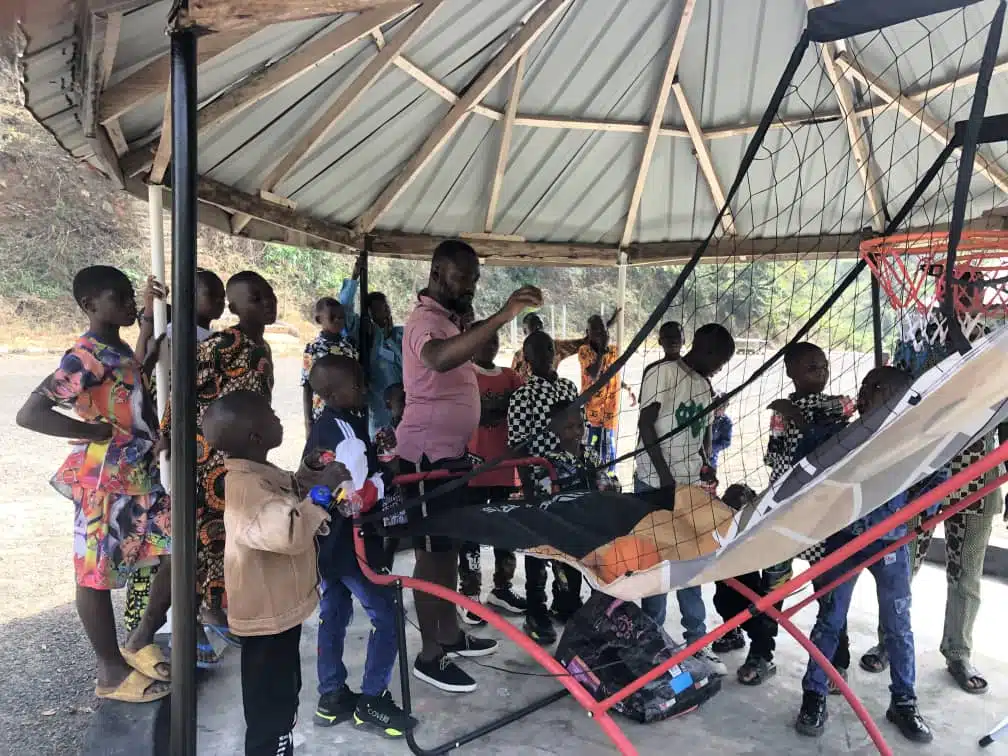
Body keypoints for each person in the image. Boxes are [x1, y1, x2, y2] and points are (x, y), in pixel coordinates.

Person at [17, 266, 172, 703]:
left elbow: (128, 387)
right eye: (118, 297)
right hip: (104, 480)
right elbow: (30, 414)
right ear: (90, 305)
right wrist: (96, 433)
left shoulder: (115, 346)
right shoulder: (84, 355)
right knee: (95, 575)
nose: (126, 303)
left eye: (128, 296)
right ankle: (110, 672)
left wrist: (145, 316)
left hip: (138, 475)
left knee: (180, 551)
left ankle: (140, 639)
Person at [397, 238, 540, 693]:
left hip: (450, 458)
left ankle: (450, 634)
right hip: (423, 460)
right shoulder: (425, 321)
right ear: (438, 272)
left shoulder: (449, 319)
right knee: (429, 557)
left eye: (476, 279)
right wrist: (501, 316)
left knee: (446, 552)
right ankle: (430, 655)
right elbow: (438, 359)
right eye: (464, 277)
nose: (471, 287)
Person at [795, 367, 936, 743]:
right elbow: (805, 463)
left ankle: (904, 701)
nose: (869, 394)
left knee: (898, 624)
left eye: (881, 390)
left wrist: (916, 513)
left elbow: (936, 478)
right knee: (830, 618)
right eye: (867, 387)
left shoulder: (912, 441)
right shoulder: (839, 437)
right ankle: (815, 693)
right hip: (844, 541)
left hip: (890, 542)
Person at [202, 390, 345, 756]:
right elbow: (289, 530)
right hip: (267, 620)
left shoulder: (258, 475)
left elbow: (286, 501)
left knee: (284, 694)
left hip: (279, 614)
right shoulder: (246, 488)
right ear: (255, 438)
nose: (278, 417)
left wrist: (308, 476)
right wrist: (325, 490)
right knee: (272, 710)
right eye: (270, 415)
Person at [161, 270, 277, 663]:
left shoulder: (263, 348)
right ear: (234, 307)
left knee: (228, 540)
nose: (267, 303)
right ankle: (193, 626)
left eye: (269, 296)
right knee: (202, 540)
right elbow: (182, 382)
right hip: (206, 458)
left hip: (242, 459)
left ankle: (216, 612)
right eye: (256, 298)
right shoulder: (225, 343)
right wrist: (167, 433)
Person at [727, 341, 854, 687]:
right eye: (812, 367)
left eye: (824, 365)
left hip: (821, 514)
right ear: (791, 373)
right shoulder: (781, 413)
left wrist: (797, 415)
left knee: (827, 588)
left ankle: (836, 659)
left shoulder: (835, 405)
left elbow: (839, 420)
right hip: (783, 510)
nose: (822, 372)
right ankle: (762, 652)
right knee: (773, 589)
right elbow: (776, 457)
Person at [304, 355, 417, 738]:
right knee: (386, 616)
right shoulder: (348, 435)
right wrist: (387, 476)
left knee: (333, 612)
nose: (365, 389)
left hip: (324, 541)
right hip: (352, 543)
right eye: (357, 384)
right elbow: (354, 499)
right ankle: (372, 701)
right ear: (334, 392)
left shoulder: (324, 426)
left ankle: (332, 695)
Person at [126, 268, 225, 636]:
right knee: (173, 538)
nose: (220, 303)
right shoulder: (172, 337)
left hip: (200, 448)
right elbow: (147, 382)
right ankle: (161, 626)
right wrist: (150, 317)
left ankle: (195, 618)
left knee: (194, 536)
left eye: (220, 296)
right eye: (211, 295)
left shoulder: (213, 338)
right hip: (172, 445)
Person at [634, 322, 735, 676]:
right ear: (705, 349)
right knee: (658, 566)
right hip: (654, 484)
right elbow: (646, 425)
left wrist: (706, 464)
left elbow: (704, 432)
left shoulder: (704, 386)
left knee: (692, 564)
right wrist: (664, 478)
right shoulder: (662, 373)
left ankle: (696, 642)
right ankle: (653, 641)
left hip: (690, 487)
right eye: (719, 361)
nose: (719, 368)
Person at [507, 331, 582, 645]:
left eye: (549, 349)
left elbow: (580, 430)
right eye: (536, 351)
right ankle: (535, 611)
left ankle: (567, 602)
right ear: (527, 358)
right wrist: (528, 490)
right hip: (539, 481)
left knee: (571, 547)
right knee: (539, 547)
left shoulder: (569, 387)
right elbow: (516, 447)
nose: (544, 355)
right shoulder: (523, 396)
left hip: (573, 479)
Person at [458, 321, 526, 624]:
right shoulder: (463, 375)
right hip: (471, 468)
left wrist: (496, 408)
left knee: (504, 529)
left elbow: (524, 407)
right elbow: (477, 412)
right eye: (483, 339)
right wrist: (501, 407)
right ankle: (469, 593)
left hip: (503, 467)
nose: (490, 344)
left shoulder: (511, 377)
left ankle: (502, 587)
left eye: (494, 339)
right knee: (470, 532)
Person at [340, 257, 404, 437]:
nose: (386, 312)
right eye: (379, 309)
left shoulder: (400, 334)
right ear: (369, 313)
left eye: (386, 307)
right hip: (376, 407)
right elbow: (344, 311)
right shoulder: (364, 332)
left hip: (403, 405)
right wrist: (354, 277)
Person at [578, 314, 637, 469]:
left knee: (608, 449)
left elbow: (611, 374)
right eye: (595, 331)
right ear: (588, 332)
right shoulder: (585, 351)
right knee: (592, 449)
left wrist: (627, 388)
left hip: (610, 411)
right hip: (592, 411)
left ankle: (609, 480)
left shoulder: (613, 350)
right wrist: (602, 350)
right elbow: (593, 375)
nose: (600, 334)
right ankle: (592, 482)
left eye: (603, 330)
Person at [302, 297, 359, 436]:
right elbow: (307, 386)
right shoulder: (313, 348)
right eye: (333, 317)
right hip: (321, 414)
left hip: (348, 413)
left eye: (341, 317)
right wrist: (308, 421)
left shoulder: (349, 348)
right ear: (319, 319)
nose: (338, 321)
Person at [511, 312, 586, 381]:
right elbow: (513, 380)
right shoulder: (519, 356)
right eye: (533, 325)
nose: (538, 328)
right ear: (524, 330)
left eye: (540, 325)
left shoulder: (554, 345)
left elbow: (579, 343)